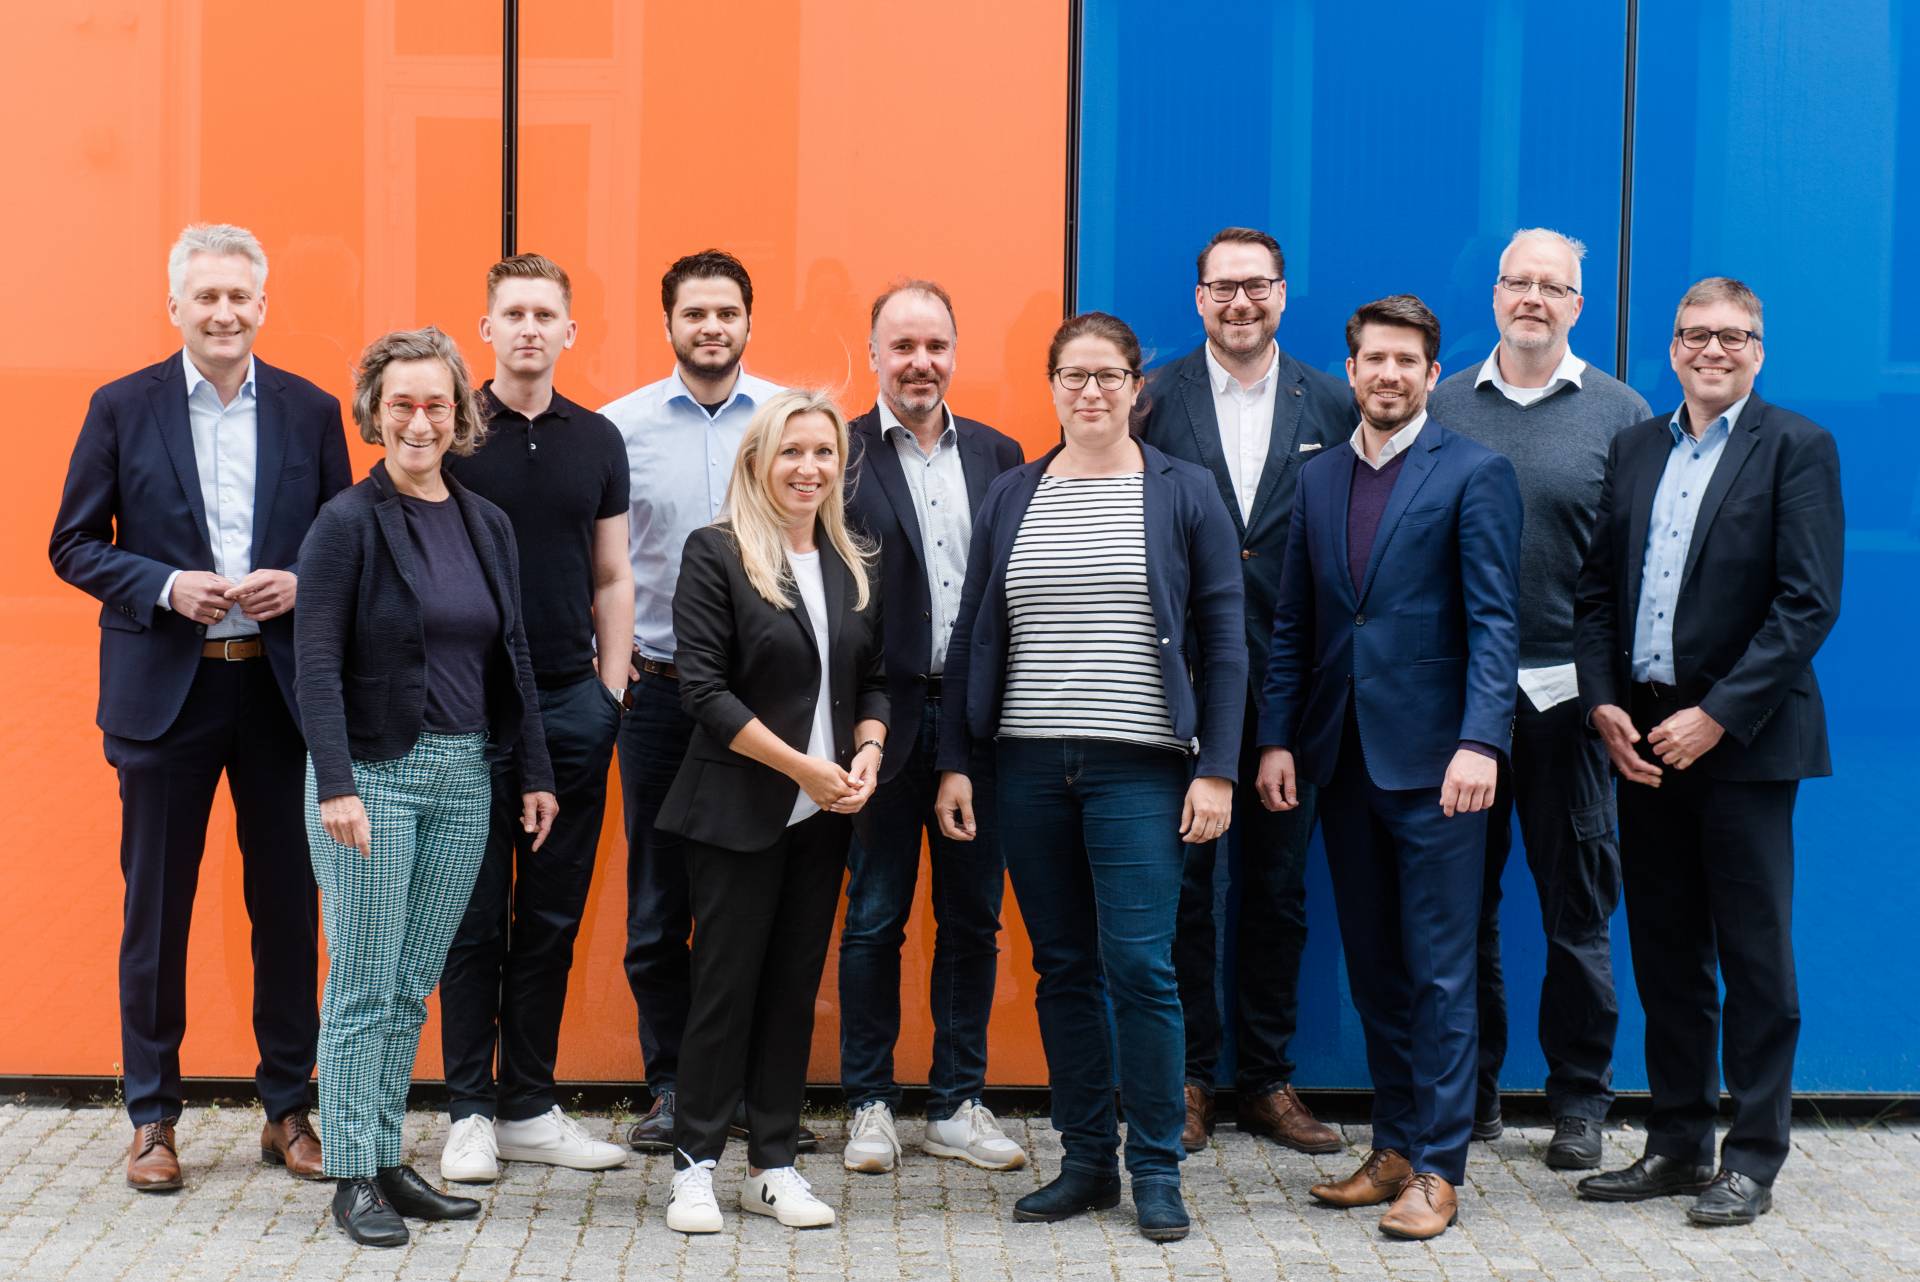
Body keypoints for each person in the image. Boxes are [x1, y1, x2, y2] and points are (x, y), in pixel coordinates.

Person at [50, 223, 351, 1191]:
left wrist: (302, 582)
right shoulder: (120, 405)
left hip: (278, 694)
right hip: (164, 694)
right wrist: (164, 585)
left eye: (239, 296)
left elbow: (344, 542)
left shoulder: (311, 409)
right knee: (156, 909)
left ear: (263, 305)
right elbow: (72, 543)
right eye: (206, 296)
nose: (224, 312)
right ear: (174, 305)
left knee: (288, 906)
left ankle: (288, 1108)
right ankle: (153, 1117)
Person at [935, 312, 1245, 1244]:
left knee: (1142, 966)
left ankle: (1155, 1166)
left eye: (1109, 375)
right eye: (1074, 375)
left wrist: (1218, 770)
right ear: (1053, 386)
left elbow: (1227, 640)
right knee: (1063, 966)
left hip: (1139, 768)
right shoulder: (1014, 492)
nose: (1092, 391)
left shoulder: (1183, 490)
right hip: (1027, 764)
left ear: (1137, 387)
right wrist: (957, 761)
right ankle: (1084, 1163)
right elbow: (973, 633)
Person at [1573, 278, 1843, 1226]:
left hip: (1745, 742)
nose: (1712, 350)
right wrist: (1604, 704)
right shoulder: (1638, 446)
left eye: (1733, 336)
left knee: (1755, 956)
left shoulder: (1797, 446)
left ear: (1758, 350)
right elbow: (1597, 592)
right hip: (1645, 738)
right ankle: (1678, 1142)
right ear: (1673, 348)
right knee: (1666, 950)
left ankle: (1754, 1157)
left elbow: (1807, 604)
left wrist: (1717, 715)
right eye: (1695, 335)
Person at [1256, 295, 1521, 1241]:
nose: (1389, 375)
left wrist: (1481, 741)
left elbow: (1495, 621)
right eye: (1374, 359)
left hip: (1442, 767)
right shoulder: (1320, 477)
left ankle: (1440, 1168)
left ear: (1432, 374)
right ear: (1352, 369)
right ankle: (1397, 1147)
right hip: (1343, 762)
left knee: (1441, 971)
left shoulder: (1475, 472)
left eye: (1407, 361)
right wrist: (1278, 738)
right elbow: (1298, 623)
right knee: (1373, 968)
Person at [295, 327, 558, 1247]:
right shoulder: (346, 523)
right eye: (401, 403)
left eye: (436, 403)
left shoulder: (485, 522)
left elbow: (511, 651)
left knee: (412, 984)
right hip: (371, 778)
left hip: (462, 776)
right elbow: (315, 665)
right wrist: (336, 784)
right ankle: (351, 1174)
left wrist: (533, 771)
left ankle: (386, 1158)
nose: (419, 420)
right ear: (374, 412)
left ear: (459, 413)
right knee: (363, 983)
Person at [1428, 228, 1651, 1166]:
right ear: (1494, 294)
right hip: (1460, 701)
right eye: (1518, 282)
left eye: (1551, 287)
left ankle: (1581, 1103)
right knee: (1459, 911)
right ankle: (1472, 1096)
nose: (1532, 299)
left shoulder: (1621, 412)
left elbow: (1638, 566)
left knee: (1578, 911)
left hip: (1571, 697)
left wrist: (1615, 692)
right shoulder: (1442, 403)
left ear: (1577, 305)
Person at [655, 389, 887, 1235]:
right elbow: (704, 692)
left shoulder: (852, 559)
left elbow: (876, 679)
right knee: (724, 991)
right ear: (757, 461)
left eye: (823, 453)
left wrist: (866, 752)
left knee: (791, 990)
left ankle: (773, 1166)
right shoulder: (716, 552)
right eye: (791, 451)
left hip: (824, 815)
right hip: (739, 809)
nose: (808, 468)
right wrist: (804, 770)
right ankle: (693, 1168)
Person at [1140, 227, 1349, 1154]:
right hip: (1176, 689)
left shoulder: (1334, 402)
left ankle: (1265, 1079)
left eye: (1256, 286)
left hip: (1291, 691)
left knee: (1277, 891)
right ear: (1199, 298)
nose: (1240, 303)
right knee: (1182, 890)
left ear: (1283, 293)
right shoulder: (1154, 400)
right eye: (1223, 287)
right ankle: (1188, 1078)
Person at [436, 255, 633, 1182]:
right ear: (485, 330)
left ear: (568, 331)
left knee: (550, 917)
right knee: (473, 920)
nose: (528, 328)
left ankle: (528, 1107)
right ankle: (469, 1112)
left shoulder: (598, 440)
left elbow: (613, 575)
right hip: (467, 714)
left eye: (544, 314)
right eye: (512, 313)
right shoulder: (448, 435)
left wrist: (610, 695)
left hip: (568, 705)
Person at [600, 250, 795, 1152]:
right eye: (694, 314)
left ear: (750, 321)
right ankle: (674, 1086)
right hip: (662, 698)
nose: (711, 328)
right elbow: (599, 564)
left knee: (754, 901)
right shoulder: (621, 429)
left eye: (726, 313)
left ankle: (750, 1089)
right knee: (658, 904)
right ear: (669, 323)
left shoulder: (789, 418)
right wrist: (610, 672)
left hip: (769, 708)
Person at [838, 280, 1027, 1176]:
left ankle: (956, 1102)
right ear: (874, 353)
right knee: (874, 916)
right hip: (877, 719)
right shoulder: (836, 452)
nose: (921, 363)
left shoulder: (999, 454)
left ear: (956, 352)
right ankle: (869, 1103)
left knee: (973, 918)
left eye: (936, 346)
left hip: (979, 720)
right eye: (903, 346)